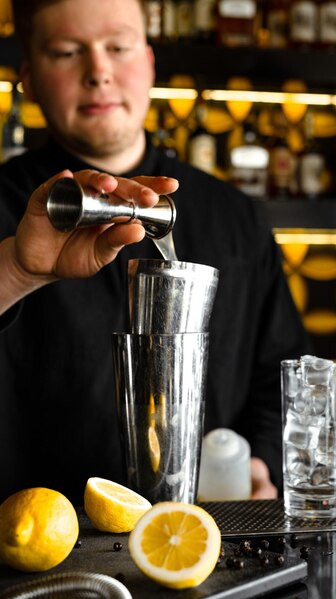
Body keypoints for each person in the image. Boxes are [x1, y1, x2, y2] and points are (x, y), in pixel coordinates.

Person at [0, 0, 310, 505]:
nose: (98, 72)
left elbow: (281, 369)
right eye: (66, 51)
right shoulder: (8, 207)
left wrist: (257, 461)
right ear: (29, 79)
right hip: (37, 551)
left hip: (205, 542)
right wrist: (14, 268)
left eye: (118, 47)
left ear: (148, 63)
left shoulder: (237, 216)